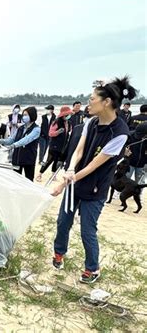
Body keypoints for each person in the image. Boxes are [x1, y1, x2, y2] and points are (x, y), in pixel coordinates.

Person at [51, 76, 135, 284]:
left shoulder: (120, 134)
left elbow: (94, 165)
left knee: (88, 229)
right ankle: (59, 253)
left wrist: (64, 182)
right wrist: (70, 170)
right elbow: (79, 150)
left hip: (96, 188)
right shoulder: (91, 122)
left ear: (106, 102)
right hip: (75, 181)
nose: (88, 103)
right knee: (63, 222)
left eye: (92, 99)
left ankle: (92, 268)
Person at [0, 107, 40, 181]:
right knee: (15, 180)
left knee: (28, 180)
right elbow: (12, 139)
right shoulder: (21, 128)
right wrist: (2, 141)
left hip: (28, 159)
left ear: (32, 115)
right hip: (17, 158)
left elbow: (26, 140)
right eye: (23, 115)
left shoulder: (36, 129)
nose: (23, 117)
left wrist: (14, 145)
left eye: (26, 115)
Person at [35, 106, 73, 182]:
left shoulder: (69, 123)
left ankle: (53, 176)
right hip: (54, 145)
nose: (68, 116)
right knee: (49, 160)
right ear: (63, 115)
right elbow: (50, 133)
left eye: (69, 115)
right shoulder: (56, 122)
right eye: (67, 115)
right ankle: (39, 174)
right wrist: (58, 132)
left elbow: (69, 132)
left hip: (63, 146)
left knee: (56, 161)